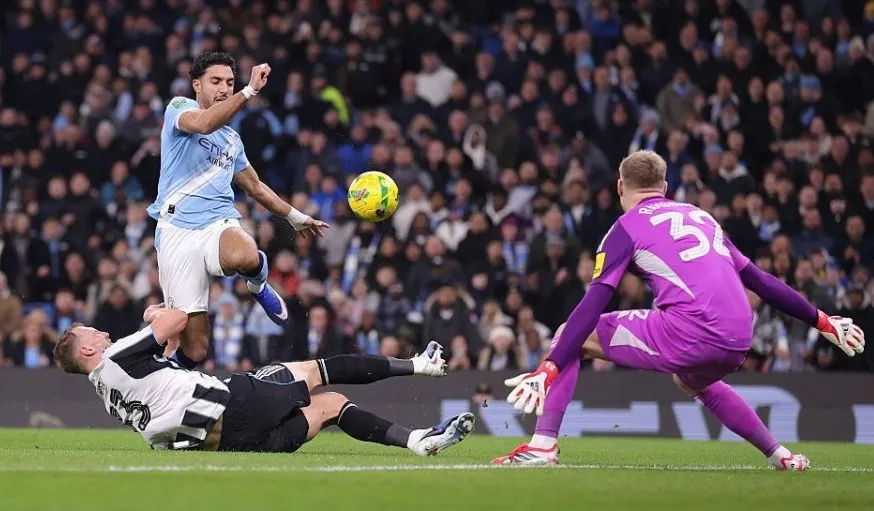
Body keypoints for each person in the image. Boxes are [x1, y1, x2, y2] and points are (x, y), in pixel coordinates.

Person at [495, 150, 866, 471]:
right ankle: (780, 455)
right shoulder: (702, 218)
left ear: (620, 187)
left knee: (570, 335)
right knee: (691, 380)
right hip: (740, 336)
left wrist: (550, 366)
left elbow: (595, 302)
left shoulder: (625, 228)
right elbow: (761, 280)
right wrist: (822, 320)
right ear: (665, 187)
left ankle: (543, 445)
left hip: (693, 331)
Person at [52, 303, 475, 455]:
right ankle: (419, 365)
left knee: (330, 407)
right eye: (92, 333)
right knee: (313, 371)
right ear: (87, 351)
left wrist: (165, 340)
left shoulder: (106, 391)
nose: (101, 332)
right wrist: (154, 316)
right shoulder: (116, 355)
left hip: (227, 443)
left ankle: (416, 441)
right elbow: (176, 318)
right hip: (232, 404)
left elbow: (161, 372)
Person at [148, 51, 329, 370]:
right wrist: (249, 91)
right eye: (215, 81)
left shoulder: (232, 140)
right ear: (196, 85)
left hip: (217, 224)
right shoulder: (180, 108)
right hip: (176, 232)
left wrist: (296, 217)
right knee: (196, 349)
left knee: (245, 254)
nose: (224, 88)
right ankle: (174, 379)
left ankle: (257, 284)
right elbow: (205, 123)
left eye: (230, 83)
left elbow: (256, 187)